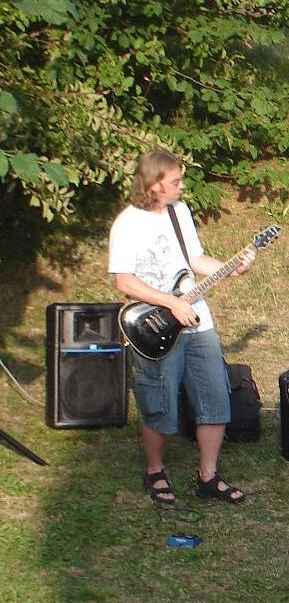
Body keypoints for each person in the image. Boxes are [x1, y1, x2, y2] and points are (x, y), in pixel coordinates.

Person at [109, 150, 255, 505]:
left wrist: (232, 267)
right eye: (175, 181)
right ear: (154, 184)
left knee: (215, 397)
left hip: (197, 320)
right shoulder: (127, 224)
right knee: (158, 401)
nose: (181, 186)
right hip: (155, 324)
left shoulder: (180, 212)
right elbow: (124, 282)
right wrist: (171, 302)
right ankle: (155, 471)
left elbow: (194, 259)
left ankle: (208, 476)